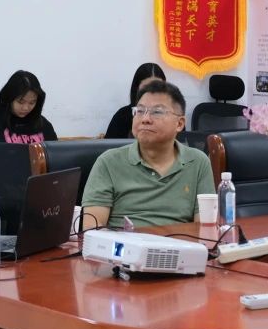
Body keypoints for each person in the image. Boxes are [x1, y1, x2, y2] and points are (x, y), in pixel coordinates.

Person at [81, 80, 213, 229]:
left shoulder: (198, 162)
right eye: (140, 111)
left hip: (179, 242)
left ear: (179, 123)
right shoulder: (108, 162)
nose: (145, 119)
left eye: (157, 112)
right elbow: (92, 228)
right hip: (123, 243)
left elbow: (205, 228)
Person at [0, 70, 59, 144]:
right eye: (21, 102)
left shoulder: (43, 124)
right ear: (9, 98)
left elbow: (54, 153)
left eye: (32, 102)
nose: (26, 108)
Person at [103, 63, 166, 139]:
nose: (152, 92)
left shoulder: (171, 115)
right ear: (137, 89)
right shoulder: (122, 116)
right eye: (146, 88)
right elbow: (109, 145)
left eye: (158, 87)